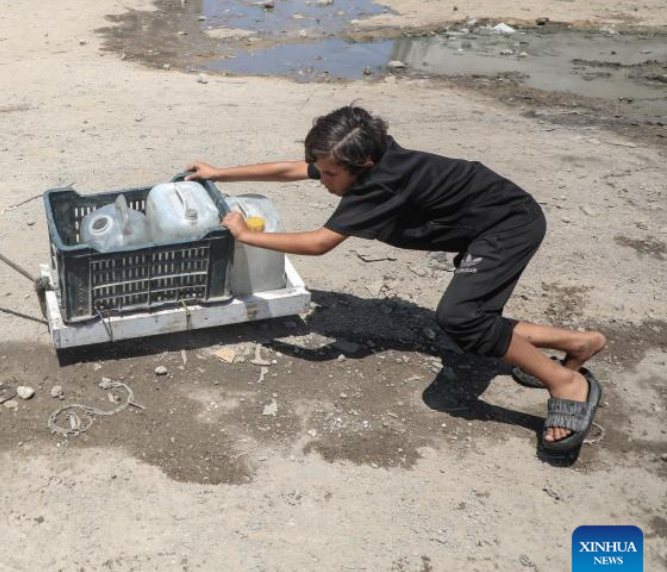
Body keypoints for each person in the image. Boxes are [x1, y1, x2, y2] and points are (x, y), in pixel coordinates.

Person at [186, 105, 606, 457]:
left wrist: (245, 235)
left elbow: (318, 243)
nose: (322, 179)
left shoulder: (378, 186)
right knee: (471, 319)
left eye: (331, 175)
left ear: (363, 166)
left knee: (462, 318)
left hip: (508, 225)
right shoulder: (365, 157)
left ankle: (565, 382)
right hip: (486, 220)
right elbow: (295, 168)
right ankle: (576, 343)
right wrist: (220, 173)